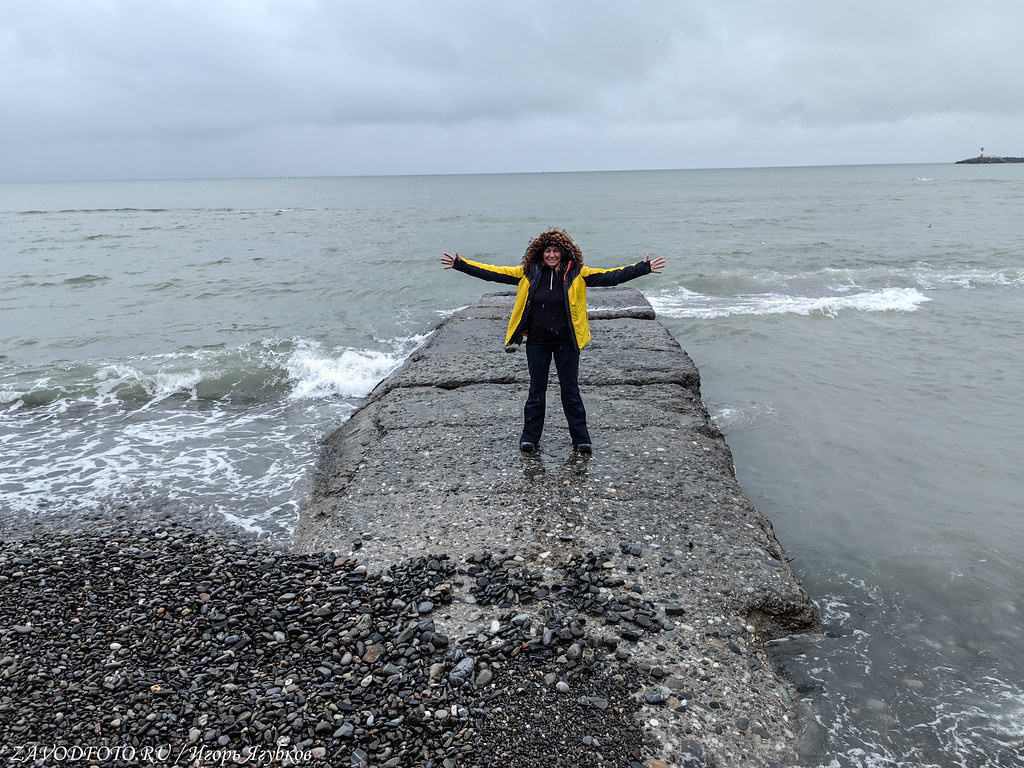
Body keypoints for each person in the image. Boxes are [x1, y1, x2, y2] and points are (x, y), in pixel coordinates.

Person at [441, 228, 665, 455]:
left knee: (570, 391)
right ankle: (529, 438)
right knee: (536, 391)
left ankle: (581, 439)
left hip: (567, 342)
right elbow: (492, 272)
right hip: (537, 342)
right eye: (547, 251)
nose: (551, 255)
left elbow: (611, 276)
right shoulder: (528, 272)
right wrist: (461, 264)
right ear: (540, 252)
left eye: (556, 251)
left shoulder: (577, 273)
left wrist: (642, 268)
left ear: (564, 252)